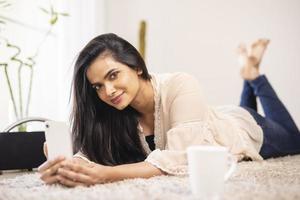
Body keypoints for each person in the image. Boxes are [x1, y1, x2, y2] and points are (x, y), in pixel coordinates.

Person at [38, 33, 300, 187]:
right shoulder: (113, 111)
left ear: (137, 66)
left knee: (294, 138)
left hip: (243, 129)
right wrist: (69, 166)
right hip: (214, 116)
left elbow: (180, 158)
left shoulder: (180, 83)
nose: (108, 91)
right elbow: (92, 154)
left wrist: (106, 175)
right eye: (97, 86)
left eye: (114, 75)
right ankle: (248, 75)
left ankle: (253, 76)